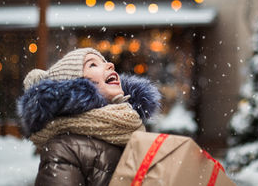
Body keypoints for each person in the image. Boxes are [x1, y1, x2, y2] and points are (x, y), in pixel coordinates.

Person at [16, 47, 161, 186]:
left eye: (105, 62)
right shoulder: (65, 148)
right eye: (92, 64)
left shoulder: (133, 132)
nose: (110, 65)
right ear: (77, 85)